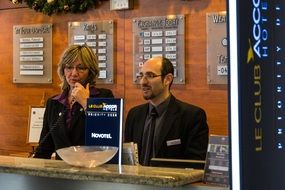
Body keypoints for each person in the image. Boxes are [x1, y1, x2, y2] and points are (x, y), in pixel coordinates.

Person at [124, 56, 209, 166]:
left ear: (167, 79)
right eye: (141, 76)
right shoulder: (134, 115)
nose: (143, 82)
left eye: (150, 76)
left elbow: (196, 164)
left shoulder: (192, 116)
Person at [34, 44, 114, 159]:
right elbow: (44, 148)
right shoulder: (54, 103)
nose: (74, 73)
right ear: (63, 70)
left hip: (93, 170)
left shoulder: (104, 97)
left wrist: (86, 103)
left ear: (91, 71)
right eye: (69, 67)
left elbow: (106, 137)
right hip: (61, 172)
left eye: (81, 68)